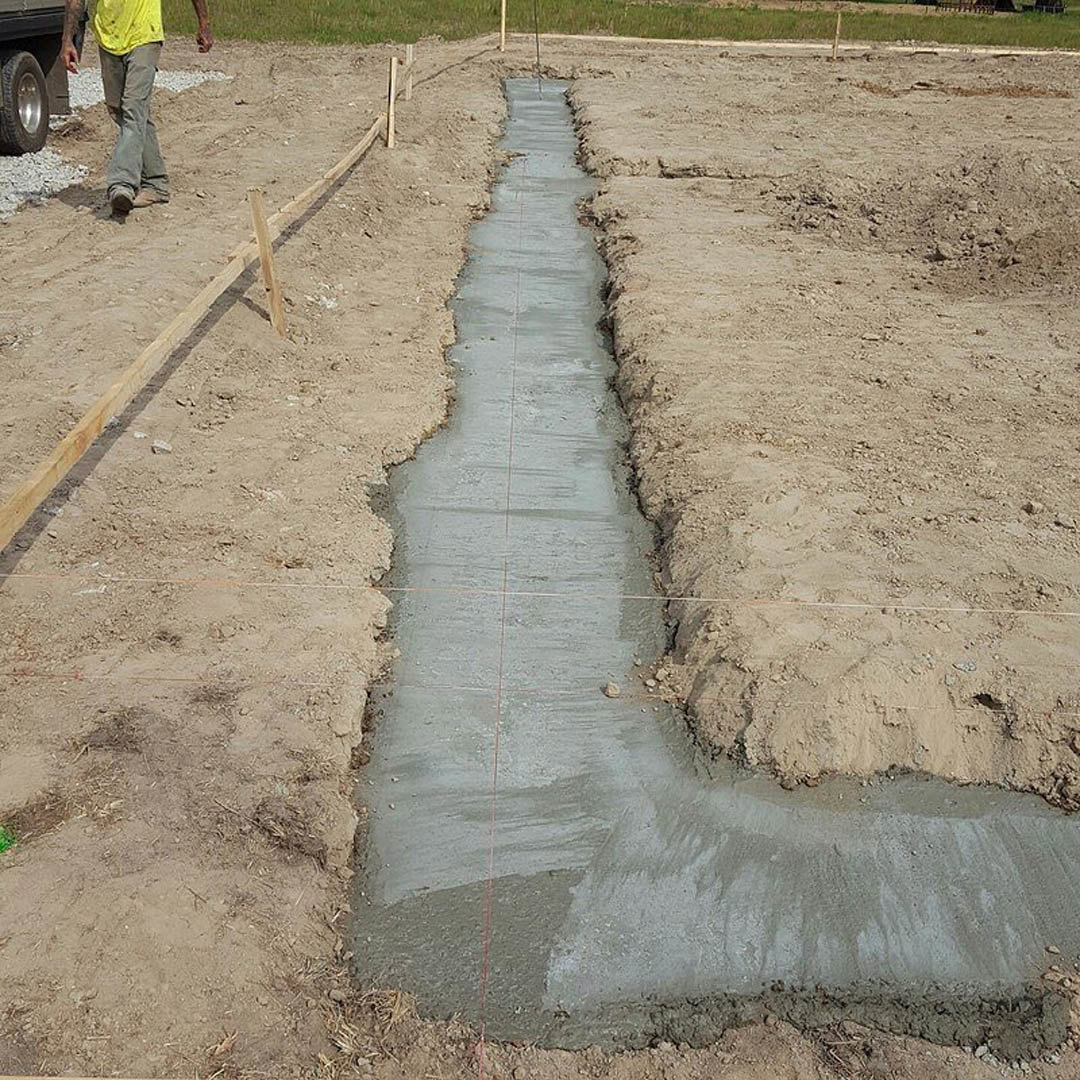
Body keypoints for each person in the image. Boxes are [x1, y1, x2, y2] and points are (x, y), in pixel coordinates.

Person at [60, 0, 213, 216]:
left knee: (133, 109)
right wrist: (67, 40)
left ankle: (121, 184)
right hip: (108, 37)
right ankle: (156, 182)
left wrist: (203, 24)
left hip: (145, 35)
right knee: (124, 112)